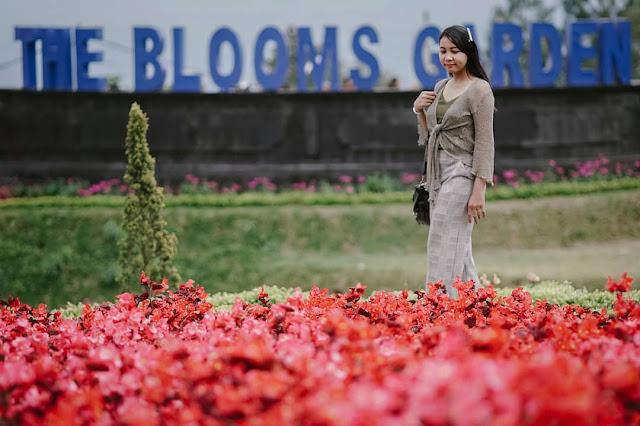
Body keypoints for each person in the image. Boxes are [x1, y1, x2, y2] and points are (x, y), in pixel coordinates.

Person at [412, 25, 495, 298]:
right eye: (443, 51)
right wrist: (419, 111)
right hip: (438, 173)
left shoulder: (480, 90)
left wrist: (479, 189)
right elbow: (431, 137)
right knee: (459, 245)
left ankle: (437, 305)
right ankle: (476, 307)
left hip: (463, 172)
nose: (448, 57)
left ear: (468, 53)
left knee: (441, 238)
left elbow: (485, 141)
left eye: (455, 51)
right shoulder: (440, 86)